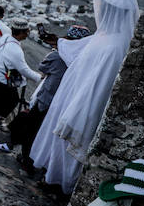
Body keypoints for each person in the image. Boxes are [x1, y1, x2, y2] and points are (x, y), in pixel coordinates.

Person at [30, 0, 141, 195]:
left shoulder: (115, 47)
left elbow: (100, 85)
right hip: (72, 97)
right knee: (60, 146)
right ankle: (51, 178)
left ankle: (60, 185)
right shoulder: (104, 37)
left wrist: (76, 110)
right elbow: (74, 49)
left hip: (83, 104)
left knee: (70, 148)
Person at [10, 25, 91, 174]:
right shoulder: (83, 61)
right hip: (63, 106)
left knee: (31, 131)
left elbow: (43, 67)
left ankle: (27, 161)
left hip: (45, 101)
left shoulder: (57, 56)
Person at [0, 18, 41, 134]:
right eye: (27, 31)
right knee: (12, 100)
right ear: (21, 32)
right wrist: (39, 77)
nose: (28, 34)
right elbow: (24, 69)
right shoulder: (15, 50)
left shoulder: (5, 38)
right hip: (4, 80)